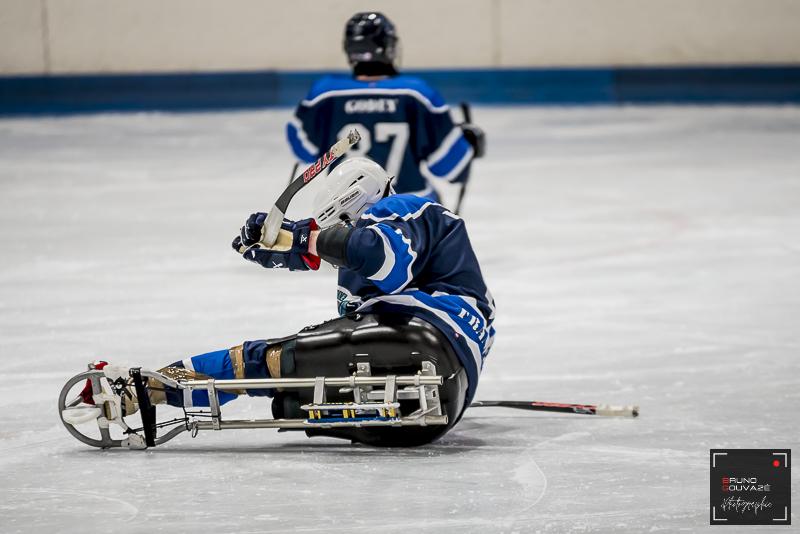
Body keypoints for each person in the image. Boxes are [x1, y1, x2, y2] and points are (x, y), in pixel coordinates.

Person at [83, 158, 495, 446]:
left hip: (422, 339)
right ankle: (150, 389)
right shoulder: (387, 239)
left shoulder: (401, 209)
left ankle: (152, 387)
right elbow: (320, 247)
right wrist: (277, 239)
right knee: (275, 375)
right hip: (433, 406)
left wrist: (298, 236)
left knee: (267, 362)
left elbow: (376, 254)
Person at [286, 12, 485, 205]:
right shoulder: (416, 94)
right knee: (432, 208)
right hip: (408, 209)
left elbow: (303, 151)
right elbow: (449, 167)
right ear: (387, 48)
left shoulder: (323, 94)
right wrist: (467, 143)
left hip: (343, 212)